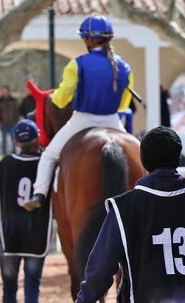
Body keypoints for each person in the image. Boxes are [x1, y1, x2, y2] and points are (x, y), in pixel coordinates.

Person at [75, 126, 185, 303]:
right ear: (179, 161)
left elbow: (99, 272)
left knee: (49, 158)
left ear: (143, 161)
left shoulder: (122, 207)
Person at [24, 13, 134, 211]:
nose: (83, 40)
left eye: (84, 37)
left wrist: (55, 96)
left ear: (90, 39)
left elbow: (62, 98)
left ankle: (39, 195)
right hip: (112, 120)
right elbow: (124, 104)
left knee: (49, 156)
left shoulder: (77, 64)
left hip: (82, 121)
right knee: (140, 155)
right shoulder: (124, 66)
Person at [0, 119, 52, 303]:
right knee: (32, 286)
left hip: (9, 234)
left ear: (16, 142)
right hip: (37, 235)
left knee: (9, 288)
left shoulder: (4, 164)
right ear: (38, 139)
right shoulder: (47, 166)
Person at [0, 85, 20, 155]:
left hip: (13, 123)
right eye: (3, 91)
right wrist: (0, 122)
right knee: (4, 140)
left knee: (13, 139)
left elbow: (17, 112)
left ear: (8, 92)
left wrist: (16, 121)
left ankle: (15, 153)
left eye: (5, 91)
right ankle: (4, 154)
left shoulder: (14, 101)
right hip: (3, 124)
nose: (4, 93)